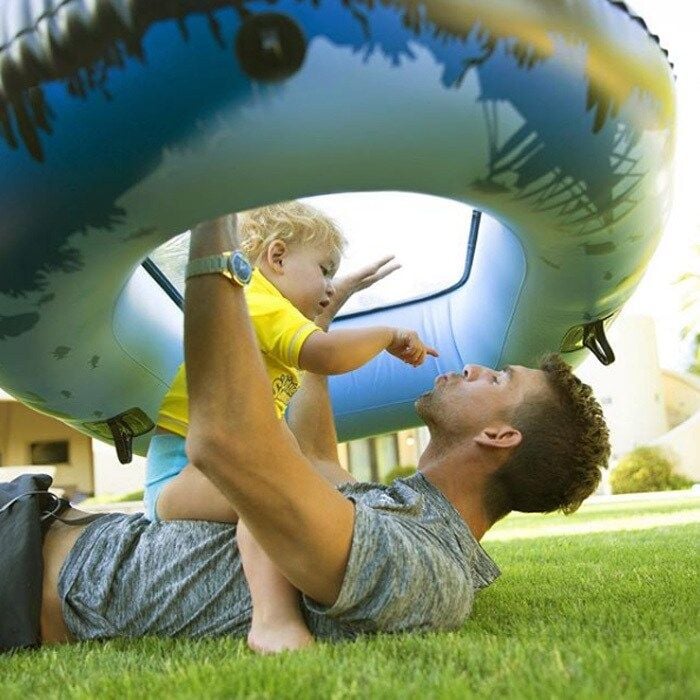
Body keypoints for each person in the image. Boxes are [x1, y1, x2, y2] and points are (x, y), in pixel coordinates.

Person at [37, 213, 610, 649]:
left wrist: (218, 236)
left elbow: (227, 446)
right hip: (48, 518)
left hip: (30, 573)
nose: (480, 366)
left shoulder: (421, 565)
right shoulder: (404, 512)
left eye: (500, 377)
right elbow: (312, 456)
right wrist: (317, 325)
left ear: (500, 437)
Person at [145, 202, 438, 652]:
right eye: (324, 269)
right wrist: (387, 335)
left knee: (284, 470)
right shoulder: (255, 299)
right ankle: (273, 622)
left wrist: (328, 300)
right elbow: (326, 355)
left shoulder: (267, 310)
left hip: (195, 471)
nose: (327, 286)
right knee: (266, 495)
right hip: (179, 475)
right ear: (277, 258)